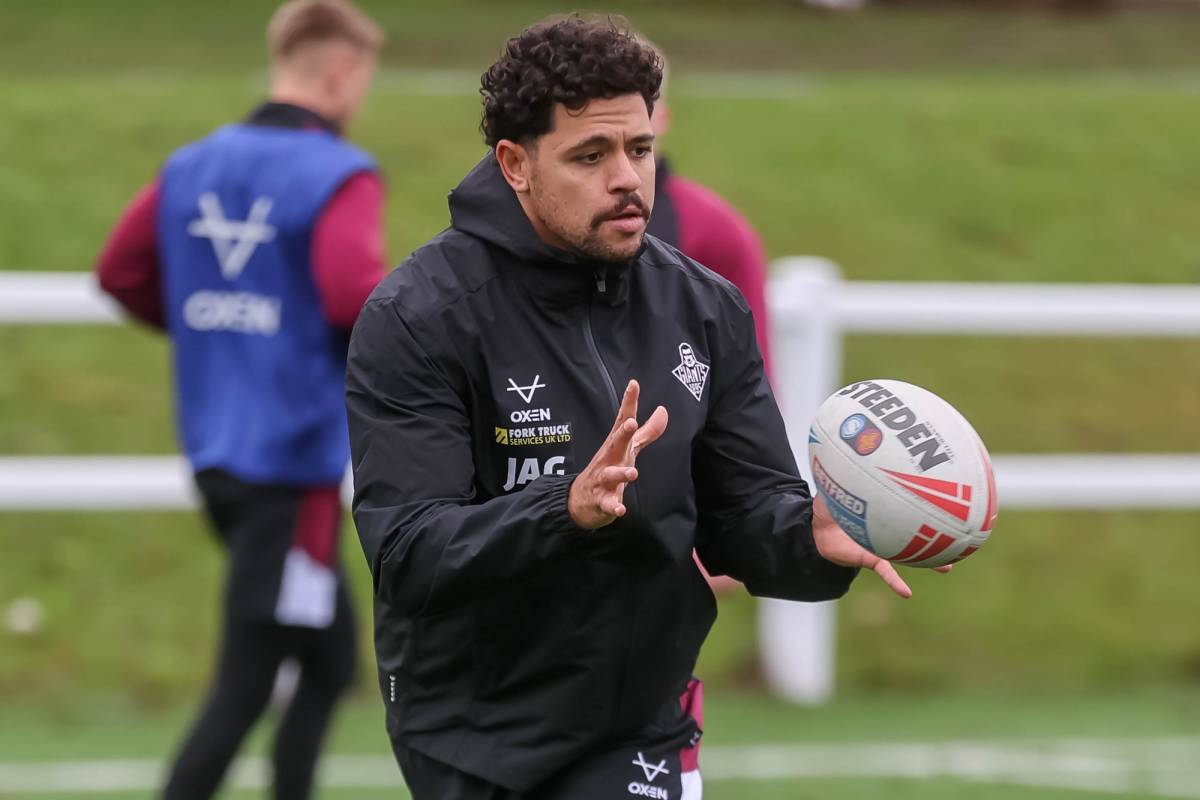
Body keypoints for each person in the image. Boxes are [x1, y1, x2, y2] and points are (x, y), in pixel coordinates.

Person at [346, 15, 933, 800]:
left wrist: (811, 536)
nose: (627, 178)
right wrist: (566, 509)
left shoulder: (704, 309)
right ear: (516, 164)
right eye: (591, 156)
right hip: (468, 729)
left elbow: (743, 512)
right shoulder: (420, 317)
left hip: (638, 725)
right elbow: (409, 552)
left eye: (640, 149)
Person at [94, 1, 386, 797]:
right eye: (363, 77)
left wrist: (210, 331)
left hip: (217, 452)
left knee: (327, 661)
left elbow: (120, 271)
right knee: (249, 681)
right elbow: (353, 295)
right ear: (339, 72)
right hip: (290, 469)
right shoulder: (340, 173)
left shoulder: (192, 164)